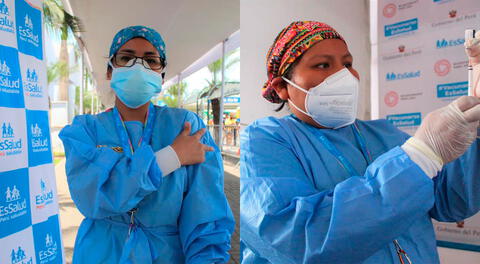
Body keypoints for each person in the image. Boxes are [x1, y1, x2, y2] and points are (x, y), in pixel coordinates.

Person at [240, 21, 480, 264]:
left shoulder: (383, 134)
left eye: (347, 64)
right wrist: (420, 156)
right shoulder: (266, 140)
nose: (343, 75)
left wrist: (477, 115)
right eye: (322, 65)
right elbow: (299, 241)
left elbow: (453, 203)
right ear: (282, 87)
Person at [59, 25, 234, 263]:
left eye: (150, 60)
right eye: (126, 58)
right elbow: (91, 197)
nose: (138, 67)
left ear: (161, 75)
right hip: (100, 253)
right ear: (110, 71)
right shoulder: (85, 130)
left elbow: (206, 214)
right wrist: (171, 157)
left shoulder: (186, 126)